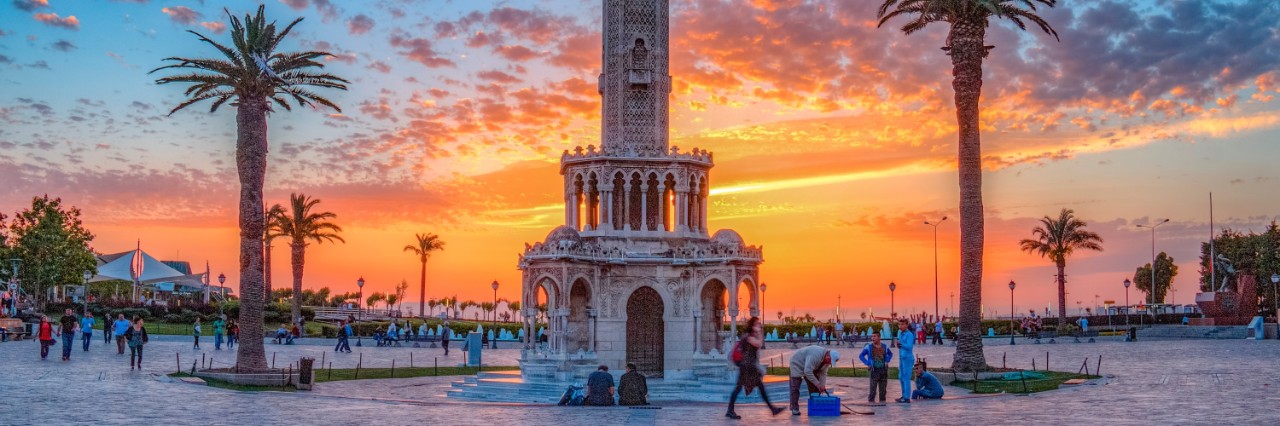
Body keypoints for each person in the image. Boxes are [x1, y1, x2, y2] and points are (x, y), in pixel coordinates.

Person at [726, 317, 785, 419]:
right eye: (757, 324)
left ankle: (730, 410)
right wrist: (760, 332)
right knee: (743, 387)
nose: (759, 326)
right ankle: (772, 409)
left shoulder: (749, 336)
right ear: (752, 326)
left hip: (748, 367)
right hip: (747, 367)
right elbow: (759, 344)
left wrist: (758, 332)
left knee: (743, 387)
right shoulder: (749, 337)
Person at [788, 344, 839, 415]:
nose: (829, 363)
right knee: (795, 387)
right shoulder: (815, 355)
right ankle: (794, 408)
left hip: (810, 366)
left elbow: (823, 373)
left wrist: (822, 385)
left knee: (814, 387)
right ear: (828, 356)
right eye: (830, 361)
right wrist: (818, 384)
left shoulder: (827, 360)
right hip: (797, 363)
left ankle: (815, 406)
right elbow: (807, 371)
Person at [858, 332, 893, 404]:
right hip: (874, 370)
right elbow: (861, 356)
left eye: (875, 336)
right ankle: (871, 404)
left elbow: (890, 354)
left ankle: (882, 406)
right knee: (872, 390)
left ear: (879, 337)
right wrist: (867, 363)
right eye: (872, 336)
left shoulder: (885, 346)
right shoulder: (869, 347)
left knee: (883, 391)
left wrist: (887, 360)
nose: (873, 338)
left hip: (883, 370)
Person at [895, 318, 916, 403]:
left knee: (906, 378)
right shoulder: (901, 333)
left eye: (903, 324)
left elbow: (909, 346)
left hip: (907, 358)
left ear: (907, 325)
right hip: (902, 357)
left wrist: (901, 344)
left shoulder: (909, 334)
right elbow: (901, 346)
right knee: (901, 377)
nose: (901, 326)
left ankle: (907, 397)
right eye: (899, 324)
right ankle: (903, 395)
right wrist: (898, 345)